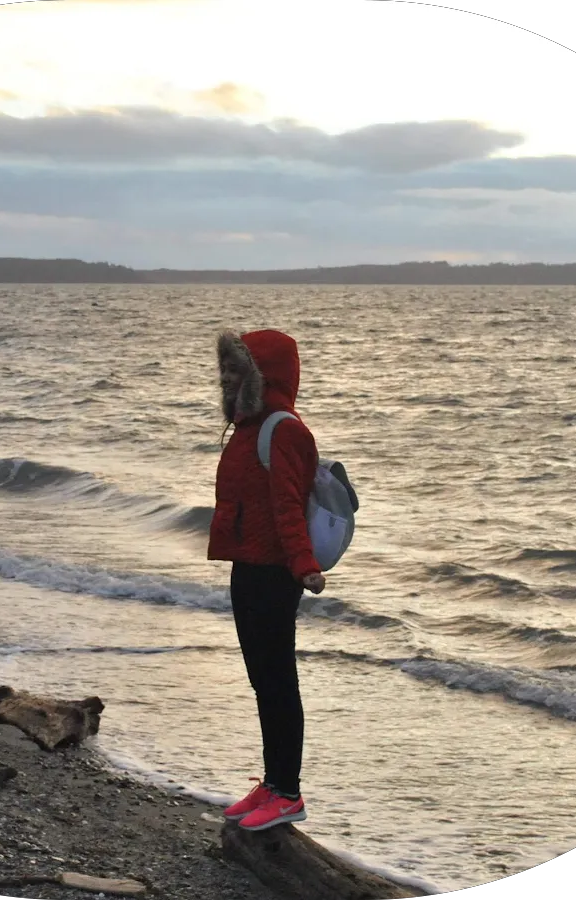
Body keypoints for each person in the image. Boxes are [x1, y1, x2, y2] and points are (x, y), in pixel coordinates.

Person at [208, 328, 325, 832]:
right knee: (263, 682)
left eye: (237, 370)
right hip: (247, 564)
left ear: (264, 376)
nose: (227, 378)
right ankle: (272, 784)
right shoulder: (248, 426)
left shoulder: (284, 430)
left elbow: (288, 506)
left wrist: (304, 565)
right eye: (225, 370)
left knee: (278, 683)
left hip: (275, 573)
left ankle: (288, 793)